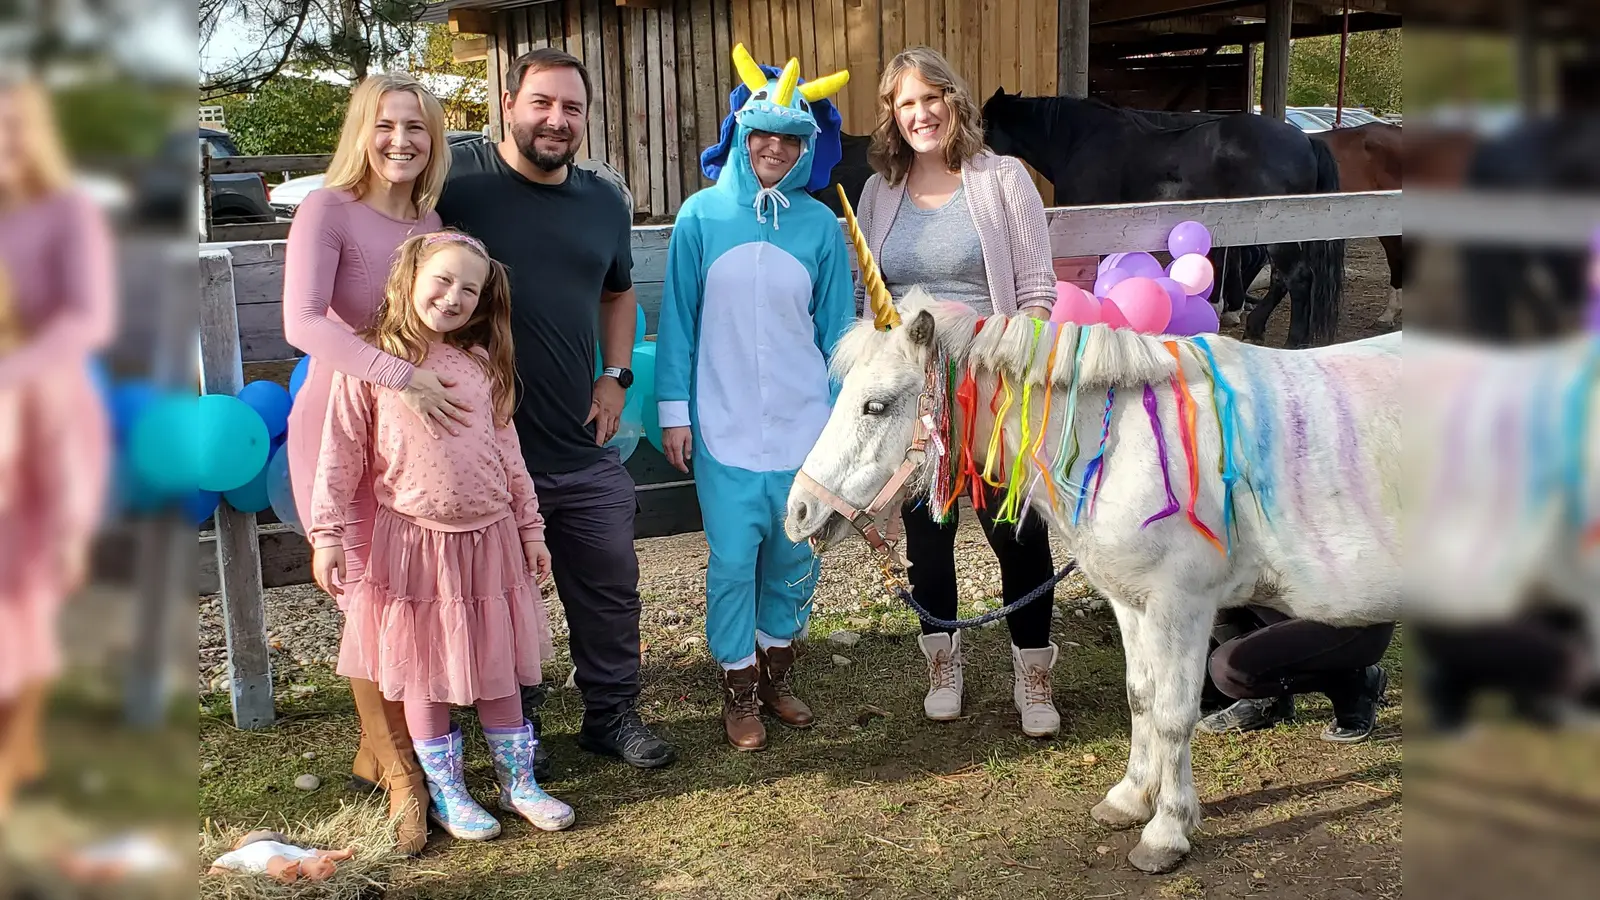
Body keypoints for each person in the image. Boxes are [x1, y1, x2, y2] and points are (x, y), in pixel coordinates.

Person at [436, 48, 675, 771]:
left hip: (581, 442)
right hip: (487, 449)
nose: (556, 119)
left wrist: (616, 375)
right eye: (541, 102)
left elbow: (618, 294)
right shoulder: (458, 189)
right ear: (507, 104)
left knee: (610, 586)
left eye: (571, 107)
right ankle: (519, 726)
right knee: (503, 599)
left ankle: (611, 715)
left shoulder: (602, 200)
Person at [311, 230, 575, 841]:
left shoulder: (479, 364)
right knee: (422, 669)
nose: (454, 297)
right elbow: (339, 455)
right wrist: (326, 535)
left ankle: (518, 783)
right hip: (414, 546)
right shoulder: (370, 364)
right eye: (443, 280)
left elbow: (510, 456)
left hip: (491, 539)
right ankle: (448, 793)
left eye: (469, 289)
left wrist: (531, 528)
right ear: (409, 278)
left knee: (499, 663)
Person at [853, 47, 1062, 737]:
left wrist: (1011, 368)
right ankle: (943, 664)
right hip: (919, 400)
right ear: (892, 115)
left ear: (954, 101)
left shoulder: (1002, 179)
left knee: (1016, 531)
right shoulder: (880, 191)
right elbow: (866, 295)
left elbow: (1036, 291)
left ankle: (1034, 672)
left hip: (993, 389)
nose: (920, 114)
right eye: (905, 104)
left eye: (930, 98)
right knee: (928, 537)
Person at [281, 72, 460, 855]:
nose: (401, 141)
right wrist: (399, 375)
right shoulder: (327, 210)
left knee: (413, 594)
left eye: (416, 128)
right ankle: (403, 780)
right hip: (339, 426)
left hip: (410, 439)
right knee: (366, 599)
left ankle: (387, 750)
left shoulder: (431, 222)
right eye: (386, 125)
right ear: (363, 131)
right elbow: (302, 323)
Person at [656, 47, 855, 751]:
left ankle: (776, 674)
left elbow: (839, 330)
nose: (776, 148)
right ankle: (737, 687)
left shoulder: (820, 227)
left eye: (791, 139)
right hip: (724, 422)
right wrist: (673, 412)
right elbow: (677, 320)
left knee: (797, 555)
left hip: (805, 426)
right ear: (741, 134)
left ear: (807, 148)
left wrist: (843, 421)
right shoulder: (701, 217)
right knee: (734, 560)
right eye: (763, 134)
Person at [0, 79, 114, 819]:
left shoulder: (68, 211)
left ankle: (18, 748)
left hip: (46, 405)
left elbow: (87, 319)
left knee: (27, 594)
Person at [1196, 606, 1394, 742]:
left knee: (1231, 669)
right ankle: (1270, 701)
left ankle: (1353, 680)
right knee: (1217, 586)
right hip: (1298, 594)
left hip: (1354, 613)